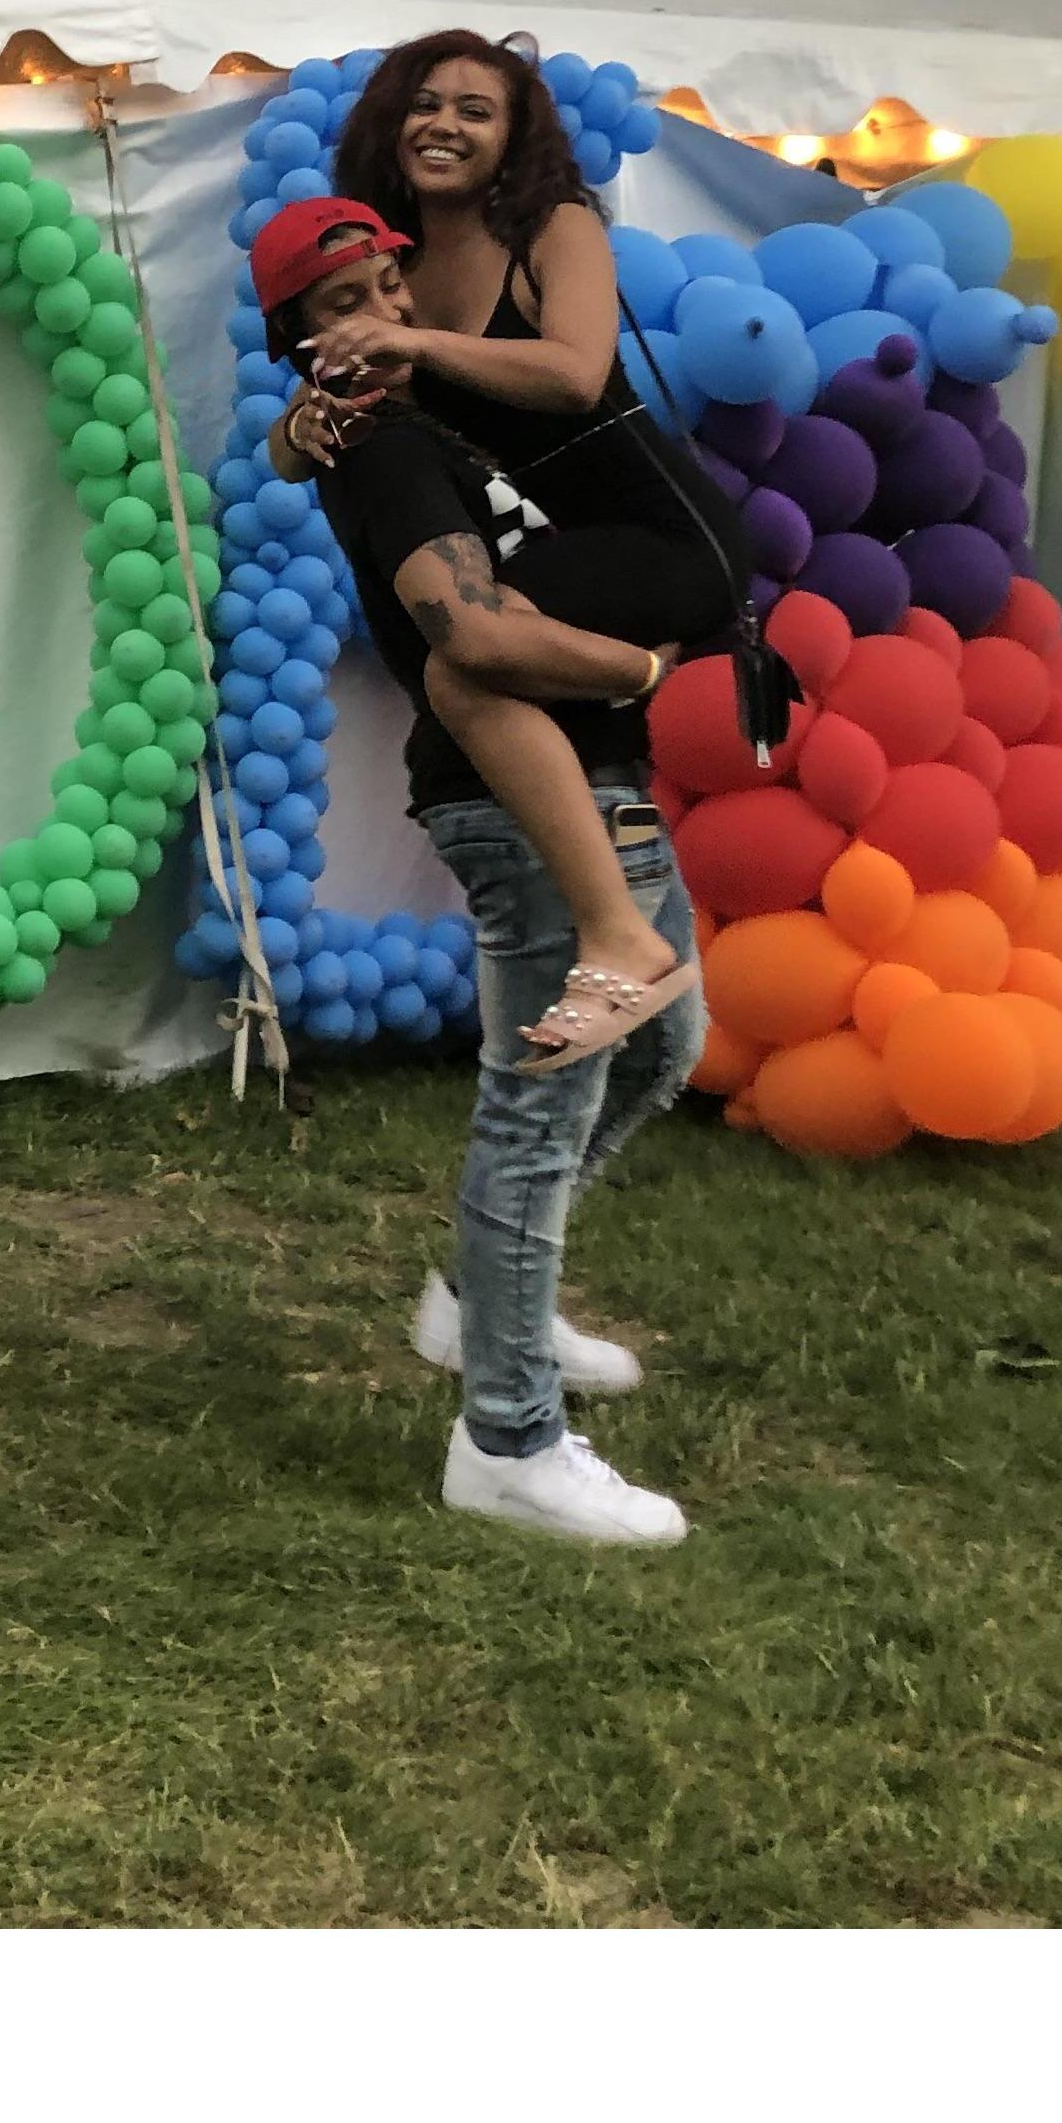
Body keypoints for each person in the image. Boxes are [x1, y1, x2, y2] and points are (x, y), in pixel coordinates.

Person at [252, 185, 747, 1549]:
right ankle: (509, 1440)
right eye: (342, 303)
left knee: (661, 1047)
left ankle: (483, 1309)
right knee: (541, 1108)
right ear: (302, 340)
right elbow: (470, 640)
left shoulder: (430, 409)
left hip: (594, 785)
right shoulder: (382, 445)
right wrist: (643, 667)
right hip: (523, 806)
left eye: (388, 284)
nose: (381, 312)